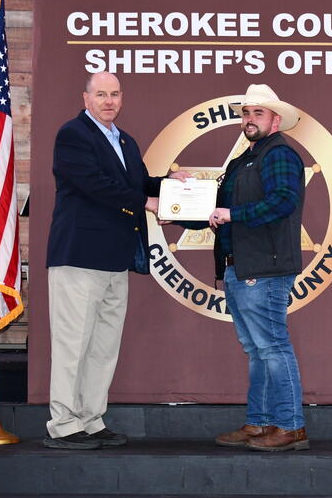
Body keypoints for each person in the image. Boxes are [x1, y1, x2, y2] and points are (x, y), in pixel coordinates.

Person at [44, 71, 185, 449]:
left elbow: (136, 182)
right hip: (79, 257)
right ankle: (63, 423)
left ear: (122, 99)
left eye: (115, 94)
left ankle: (91, 419)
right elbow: (94, 184)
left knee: (103, 346)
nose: (109, 101)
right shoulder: (73, 135)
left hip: (115, 259)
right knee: (73, 344)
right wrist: (147, 201)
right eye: (101, 94)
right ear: (85, 97)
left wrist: (172, 184)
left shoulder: (125, 140)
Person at [197, 83, 310, 451]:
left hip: (264, 267)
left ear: (276, 120)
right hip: (241, 267)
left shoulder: (279, 154)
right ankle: (260, 423)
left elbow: (284, 201)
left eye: (258, 113)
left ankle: (291, 426)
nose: (249, 119)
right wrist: (174, 211)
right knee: (258, 349)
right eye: (246, 112)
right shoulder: (244, 159)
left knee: (272, 346)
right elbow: (217, 210)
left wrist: (234, 213)